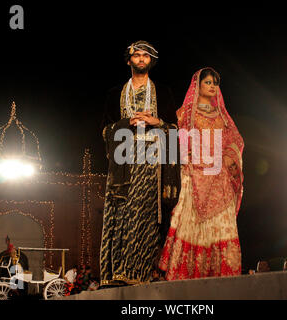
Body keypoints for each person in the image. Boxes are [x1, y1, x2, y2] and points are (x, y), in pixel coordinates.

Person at [100, 40, 180, 286]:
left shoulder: (163, 92)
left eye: (146, 56)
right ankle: (117, 273)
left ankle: (141, 273)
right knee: (121, 213)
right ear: (129, 60)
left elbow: (176, 129)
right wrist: (126, 124)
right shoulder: (115, 94)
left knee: (145, 216)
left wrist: (158, 122)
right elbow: (104, 131)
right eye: (137, 55)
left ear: (151, 61)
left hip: (152, 162)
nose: (142, 59)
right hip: (123, 160)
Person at [159, 68, 244, 280]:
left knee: (220, 228)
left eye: (215, 83)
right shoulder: (185, 114)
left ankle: (221, 276)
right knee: (188, 224)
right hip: (192, 177)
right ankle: (186, 276)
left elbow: (236, 142)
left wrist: (227, 159)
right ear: (198, 85)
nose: (212, 86)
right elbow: (172, 138)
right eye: (208, 82)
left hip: (218, 180)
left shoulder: (223, 117)